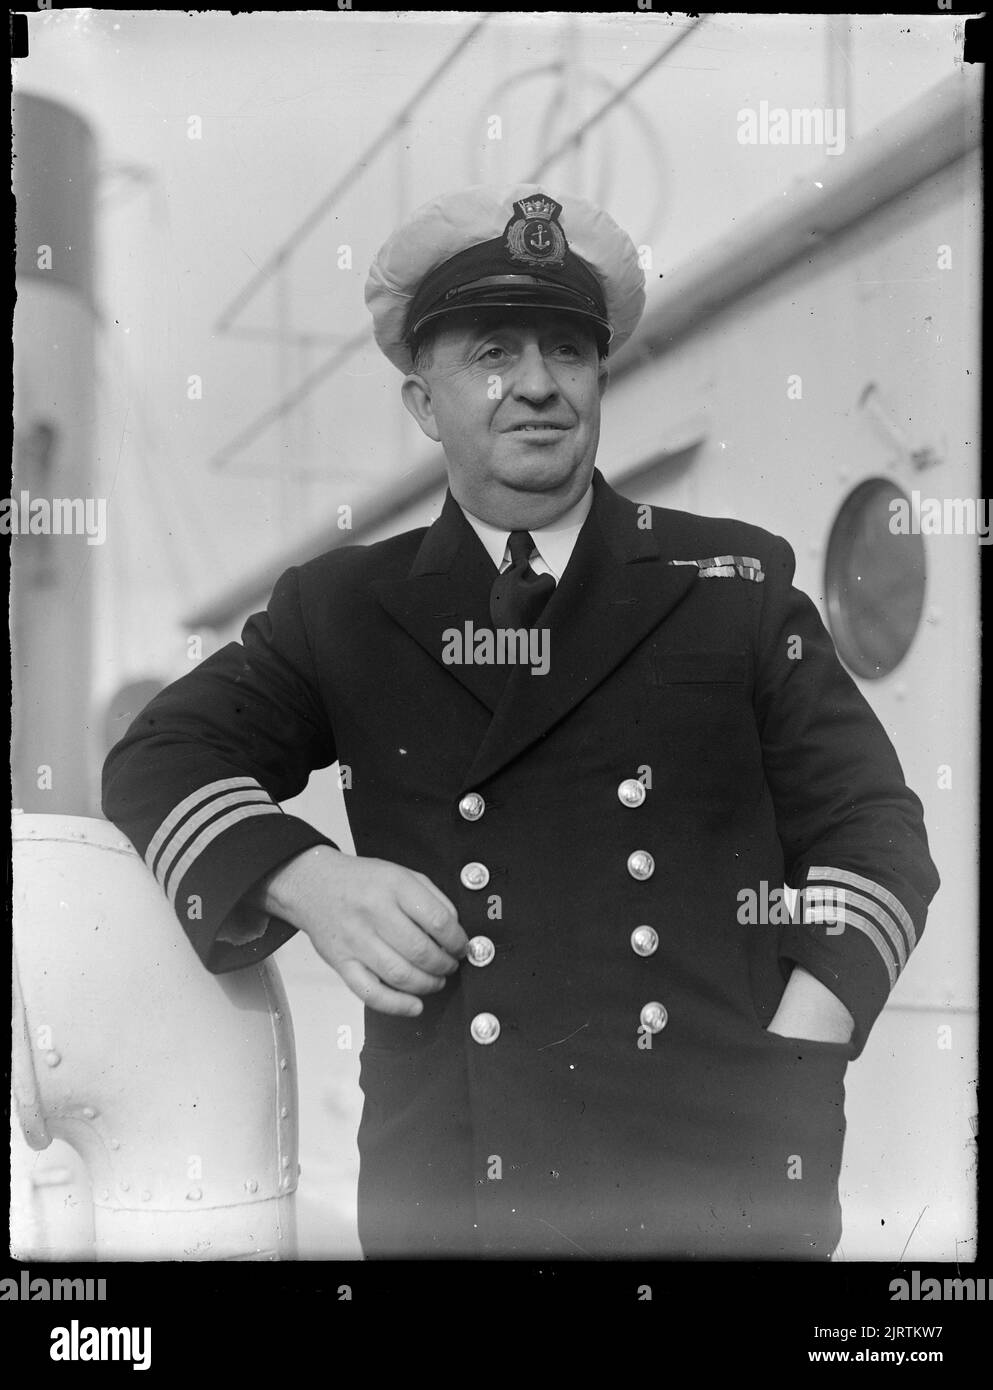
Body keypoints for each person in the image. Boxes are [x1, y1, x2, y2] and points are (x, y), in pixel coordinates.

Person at [102, 183, 940, 1260]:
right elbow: (160, 754)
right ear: (422, 402)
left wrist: (798, 1053)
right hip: (455, 1186)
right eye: (494, 352)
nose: (537, 386)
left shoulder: (732, 578)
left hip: (715, 1181)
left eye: (568, 352)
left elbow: (875, 832)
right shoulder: (346, 608)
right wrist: (310, 880)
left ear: (599, 375)